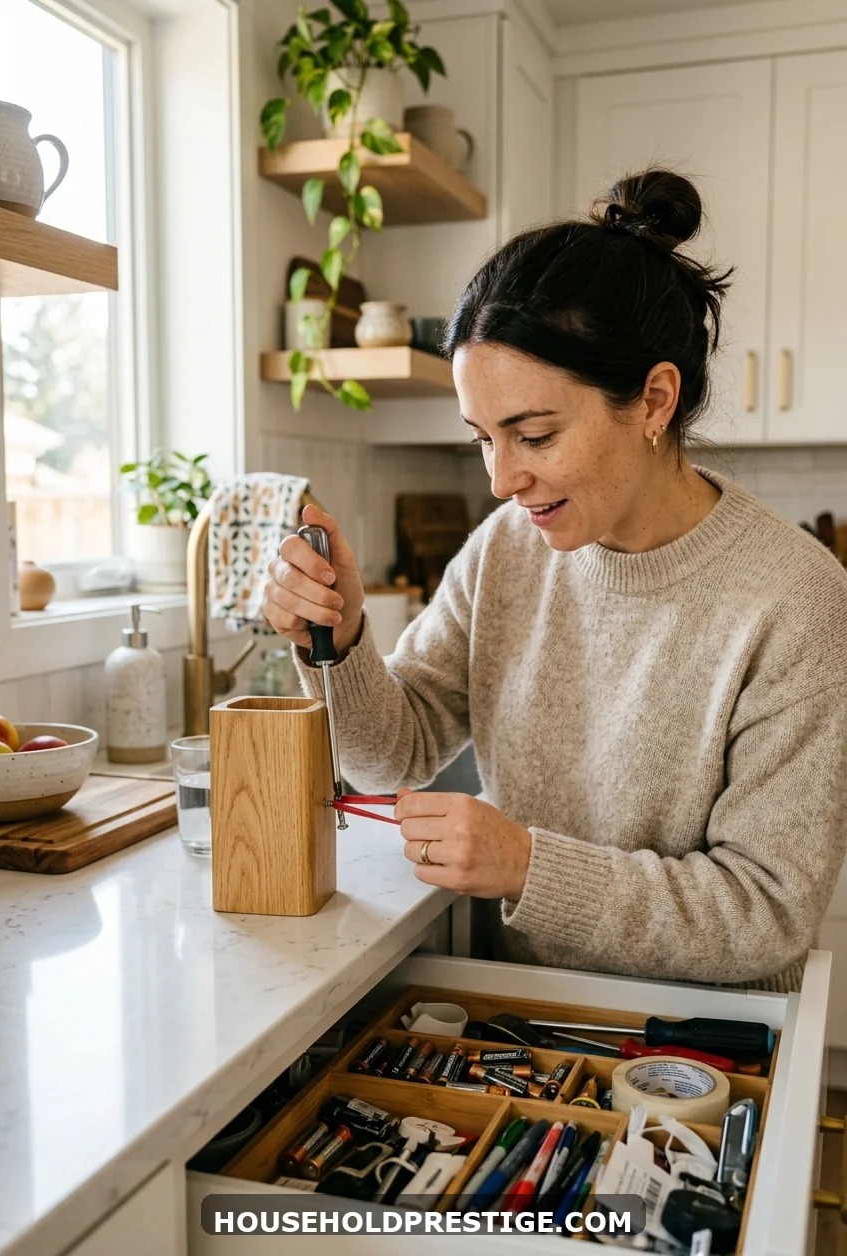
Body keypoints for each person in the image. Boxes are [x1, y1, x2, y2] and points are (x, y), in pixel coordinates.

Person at [264, 169, 847, 991]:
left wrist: (528, 865)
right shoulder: (509, 547)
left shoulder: (798, 602)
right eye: (482, 439)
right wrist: (345, 641)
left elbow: (763, 915)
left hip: (716, 1041)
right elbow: (388, 757)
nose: (503, 479)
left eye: (533, 435)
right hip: (534, 1016)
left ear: (653, 400)